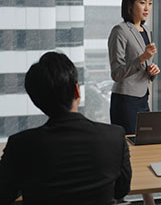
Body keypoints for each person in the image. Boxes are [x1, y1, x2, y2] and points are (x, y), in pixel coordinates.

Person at [0, 52, 131, 204]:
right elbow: (121, 190)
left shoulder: (20, 145)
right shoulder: (114, 136)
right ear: (77, 90)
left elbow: (4, 194)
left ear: (37, 101)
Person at [108, 0, 159, 205]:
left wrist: (152, 71)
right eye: (142, 2)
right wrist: (141, 59)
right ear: (130, 4)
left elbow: (144, 68)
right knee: (126, 155)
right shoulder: (119, 31)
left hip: (141, 98)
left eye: (149, 3)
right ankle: (118, 199)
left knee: (144, 151)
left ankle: (149, 201)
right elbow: (116, 73)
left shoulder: (146, 30)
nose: (146, 8)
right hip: (124, 101)